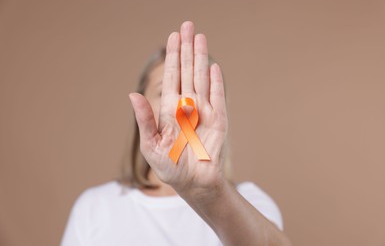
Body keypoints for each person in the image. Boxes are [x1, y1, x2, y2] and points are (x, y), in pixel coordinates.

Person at [61, 21, 291, 246]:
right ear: (141, 107)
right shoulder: (95, 207)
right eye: (164, 92)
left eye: (195, 94)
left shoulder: (249, 203)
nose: (183, 105)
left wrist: (208, 193)